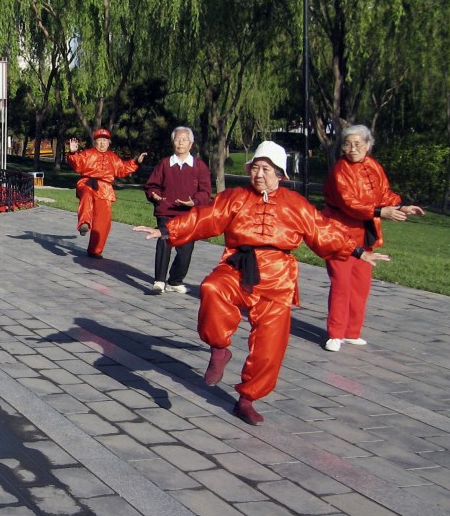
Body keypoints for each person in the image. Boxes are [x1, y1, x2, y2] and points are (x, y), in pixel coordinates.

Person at [134, 141, 388, 426]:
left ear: (280, 174)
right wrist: (166, 231)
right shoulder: (235, 197)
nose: (259, 174)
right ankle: (219, 348)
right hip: (238, 266)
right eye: (255, 168)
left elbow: (324, 231)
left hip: (278, 279)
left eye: (266, 169)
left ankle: (247, 400)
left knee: (270, 348)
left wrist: (357, 251)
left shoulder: (296, 204)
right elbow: (205, 218)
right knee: (212, 288)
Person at [321, 124, 423, 352]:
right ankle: (335, 333)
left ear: (368, 145)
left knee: (361, 284)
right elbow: (349, 203)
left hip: (364, 233)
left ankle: (352, 331)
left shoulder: (373, 166)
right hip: (339, 231)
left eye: (358, 144)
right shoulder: (340, 169)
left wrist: (400, 206)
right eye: (348, 144)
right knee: (341, 283)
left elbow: (384, 193)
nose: (352, 149)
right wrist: (379, 212)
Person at [144, 126, 213, 294]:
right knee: (164, 243)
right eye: (177, 139)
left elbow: (206, 192)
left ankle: (175, 280)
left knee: (186, 250)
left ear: (191, 144)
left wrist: (194, 201)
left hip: (189, 215)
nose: (180, 143)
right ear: (172, 142)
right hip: (166, 212)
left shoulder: (199, 166)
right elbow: (151, 185)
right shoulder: (165, 164)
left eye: (184, 140)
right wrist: (155, 195)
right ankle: (159, 281)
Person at [67, 128, 146, 258]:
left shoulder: (113, 157)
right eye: (99, 140)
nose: (102, 143)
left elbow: (123, 169)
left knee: (103, 220)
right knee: (86, 195)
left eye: (105, 140)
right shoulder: (88, 154)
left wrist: (136, 162)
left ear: (109, 142)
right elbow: (77, 163)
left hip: (105, 188)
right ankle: (84, 223)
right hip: (87, 182)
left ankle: (95, 250)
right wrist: (73, 152)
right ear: (95, 142)